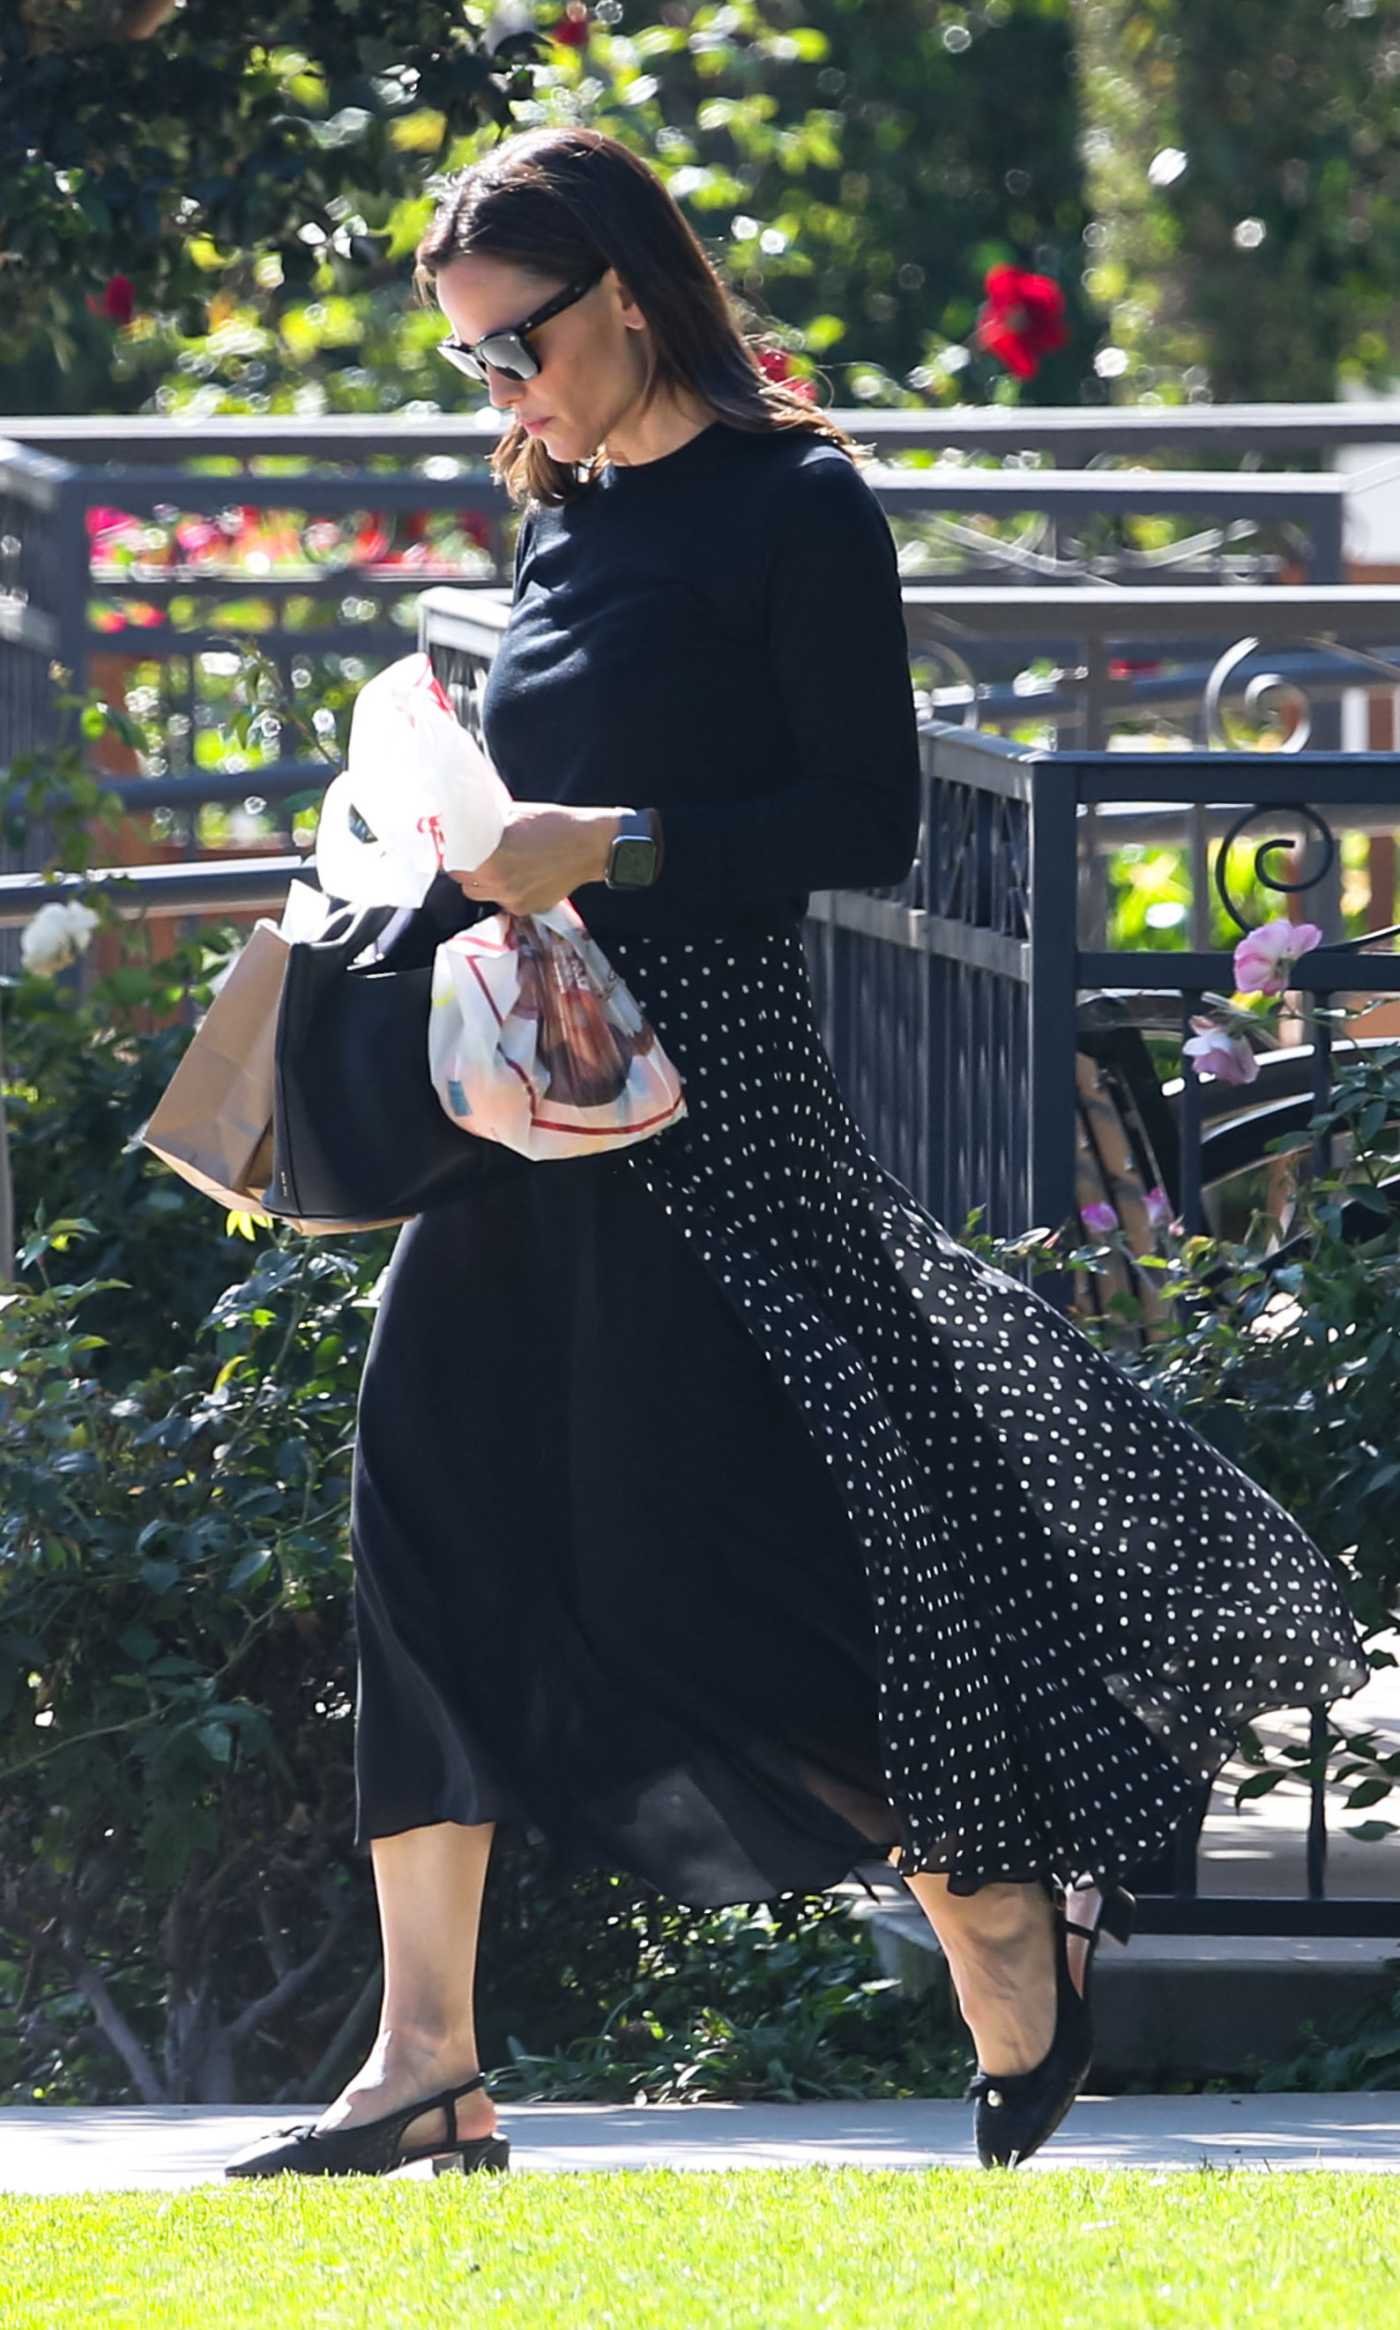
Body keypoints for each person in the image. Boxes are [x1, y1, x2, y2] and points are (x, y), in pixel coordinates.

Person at [224, 126, 1370, 2181]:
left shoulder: (797, 506)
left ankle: (992, 1896)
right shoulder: (561, 516)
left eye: (522, 345)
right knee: (425, 1496)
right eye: (473, 363)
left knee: (766, 1529)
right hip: (535, 1092)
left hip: (715, 1098)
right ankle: (424, 2060)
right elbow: (544, 792)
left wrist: (624, 847)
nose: (506, 394)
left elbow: (862, 821)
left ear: (634, 294)